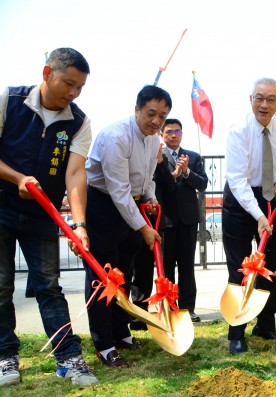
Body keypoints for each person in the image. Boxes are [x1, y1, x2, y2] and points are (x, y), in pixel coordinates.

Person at [0, 48, 98, 387]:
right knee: (0, 285)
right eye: (68, 83)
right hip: (2, 206)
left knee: (49, 286)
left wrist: (80, 225)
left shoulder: (79, 122)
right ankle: (5, 357)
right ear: (46, 73)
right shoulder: (8, 100)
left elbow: (74, 176)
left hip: (43, 213)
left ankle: (69, 358)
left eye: (80, 87)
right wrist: (17, 179)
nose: (72, 93)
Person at [84, 85, 169, 367]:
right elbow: (118, 190)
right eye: (151, 113)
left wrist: (151, 198)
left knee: (125, 272)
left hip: (132, 206)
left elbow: (148, 179)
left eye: (162, 116)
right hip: (103, 205)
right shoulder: (115, 137)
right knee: (103, 276)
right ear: (136, 109)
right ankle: (104, 343)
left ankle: (121, 332)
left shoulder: (153, 139)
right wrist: (143, 228)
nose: (156, 121)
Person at [223, 77, 276, 354]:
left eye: (270, 99)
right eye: (259, 98)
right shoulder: (239, 131)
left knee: (271, 267)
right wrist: (257, 215)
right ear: (250, 99)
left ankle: (266, 324)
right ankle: (236, 333)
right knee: (240, 268)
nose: (264, 105)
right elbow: (238, 180)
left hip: (271, 201)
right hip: (240, 203)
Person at [158, 119, 208, 323]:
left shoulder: (193, 157)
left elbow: (203, 183)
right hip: (166, 220)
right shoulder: (157, 157)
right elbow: (156, 184)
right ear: (161, 134)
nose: (173, 135)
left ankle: (188, 309)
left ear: (182, 133)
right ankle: (169, 308)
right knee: (166, 266)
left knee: (187, 266)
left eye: (176, 131)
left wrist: (187, 172)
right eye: (168, 131)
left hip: (188, 220)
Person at [129, 142, 176, 331]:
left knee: (152, 269)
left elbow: (170, 187)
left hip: (154, 221)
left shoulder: (158, 162)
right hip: (132, 219)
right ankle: (135, 314)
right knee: (133, 268)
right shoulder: (133, 156)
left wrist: (160, 162)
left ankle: (155, 311)